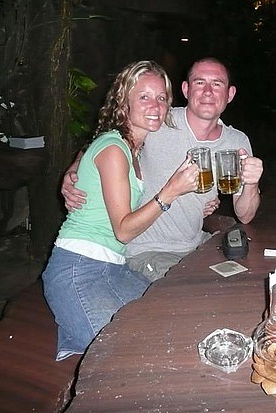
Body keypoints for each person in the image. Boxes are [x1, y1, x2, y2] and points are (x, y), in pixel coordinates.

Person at [43, 60, 199, 361]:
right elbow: (123, 231)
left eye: (161, 97)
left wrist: (77, 164)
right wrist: (171, 191)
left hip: (114, 268)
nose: (155, 105)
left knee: (166, 317)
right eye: (144, 96)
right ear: (123, 102)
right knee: (125, 353)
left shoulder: (133, 147)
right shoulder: (116, 148)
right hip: (78, 269)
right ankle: (77, 331)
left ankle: (76, 331)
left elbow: (90, 150)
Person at [62, 57, 263, 281]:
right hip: (149, 250)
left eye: (217, 84)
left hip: (195, 244)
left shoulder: (237, 142)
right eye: (199, 82)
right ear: (186, 89)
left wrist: (251, 183)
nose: (207, 91)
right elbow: (106, 143)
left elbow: (245, 215)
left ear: (230, 94)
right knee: (197, 290)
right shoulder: (159, 120)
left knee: (247, 275)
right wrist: (74, 169)